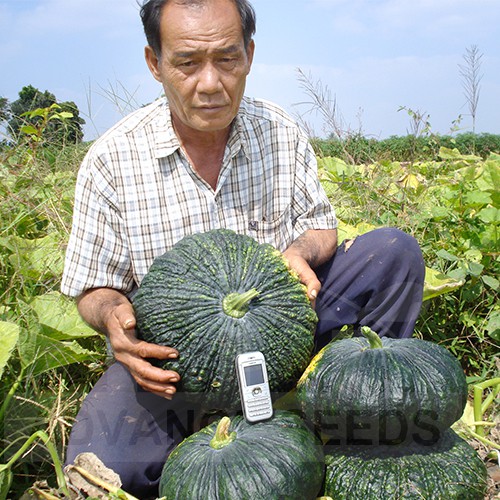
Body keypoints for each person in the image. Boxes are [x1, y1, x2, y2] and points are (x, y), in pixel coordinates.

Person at [61, 0, 425, 496]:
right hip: (173, 369)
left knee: (392, 253)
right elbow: (93, 288)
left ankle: (352, 407)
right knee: (105, 471)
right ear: (155, 63)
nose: (210, 83)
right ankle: (204, 437)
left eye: (227, 59)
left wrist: (299, 252)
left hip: (290, 333)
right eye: (188, 63)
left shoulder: (279, 130)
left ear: (249, 55)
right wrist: (111, 317)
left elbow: (320, 227)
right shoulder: (111, 159)